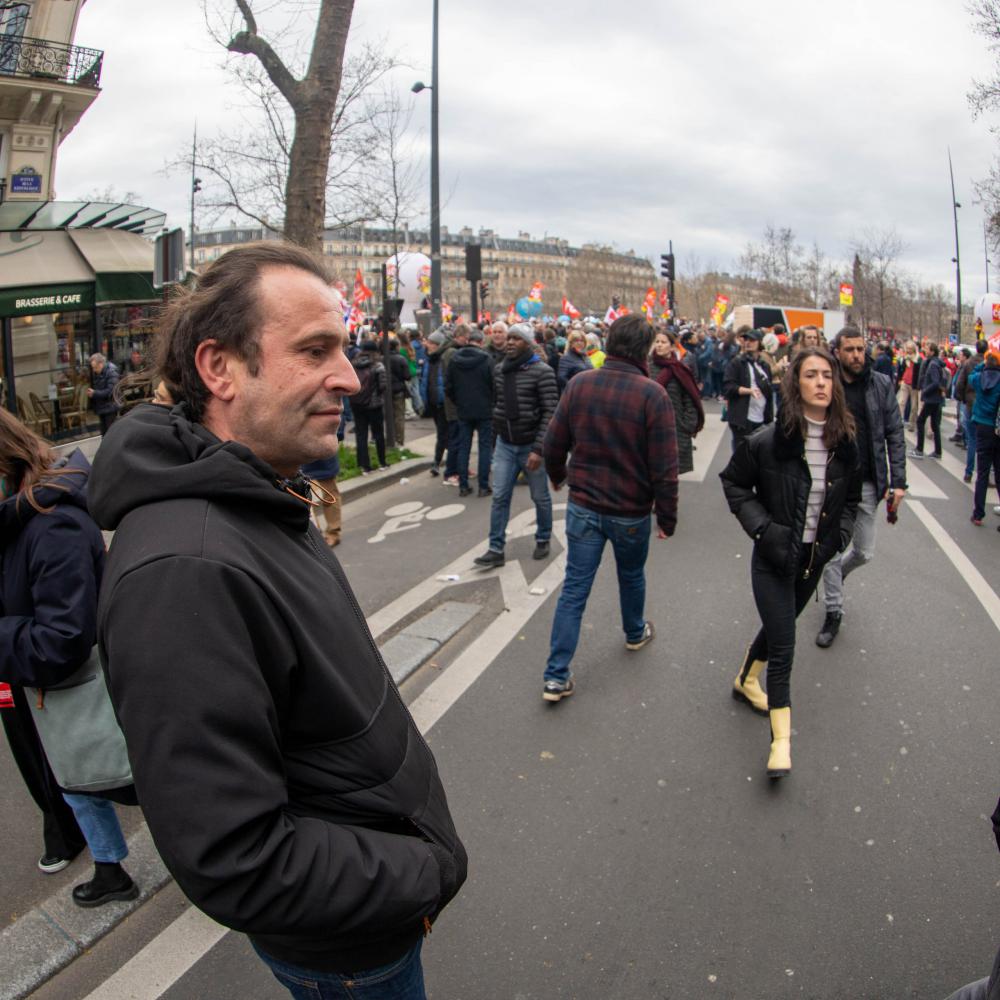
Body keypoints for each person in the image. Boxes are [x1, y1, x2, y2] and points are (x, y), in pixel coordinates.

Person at [88, 242, 466, 997]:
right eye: (314, 351)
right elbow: (237, 856)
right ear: (219, 368)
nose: (351, 377)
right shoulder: (186, 570)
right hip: (350, 946)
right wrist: (423, 871)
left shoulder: (256, 491)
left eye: (344, 349)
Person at [0, 409, 138, 906]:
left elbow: (61, 638)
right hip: (57, 688)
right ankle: (110, 870)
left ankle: (218, 859)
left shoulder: (52, 523)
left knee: (133, 777)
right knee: (78, 782)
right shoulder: (19, 516)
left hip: (89, 681)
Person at [720, 347, 861, 777]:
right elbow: (733, 483)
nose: (821, 382)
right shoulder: (769, 441)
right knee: (784, 646)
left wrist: (839, 538)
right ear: (795, 384)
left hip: (812, 562)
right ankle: (781, 743)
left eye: (827, 375)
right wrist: (765, 531)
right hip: (772, 558)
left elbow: (852, 499)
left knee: (776, 628)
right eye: (811, 375)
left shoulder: (845, 442)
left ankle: (745, 679)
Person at [541, 315, 679, 701]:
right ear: (644, 349)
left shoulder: (581, 384)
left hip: (584, 503)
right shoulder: (653, 395)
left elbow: (553, 442)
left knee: (574, 587)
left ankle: (556, 675)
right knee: (631, 575)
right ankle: (634, 632)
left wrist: (558, 475)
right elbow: (665, 469)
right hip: (630, 509)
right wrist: (667, 517)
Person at [816, 327, 907, 648]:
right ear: (837, 352)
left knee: (864, 552)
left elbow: (895, 433)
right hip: (832, 480)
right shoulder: (827, 383)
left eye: (860, 349)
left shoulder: (880, 384)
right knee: (830, 550)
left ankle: (836, 576)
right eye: (850, 350)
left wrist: (899, 482)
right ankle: (833, 610)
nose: (857, 355)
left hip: (868, 481)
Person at [474, 322, 558, 568]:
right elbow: (497, 405)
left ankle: (543, 538)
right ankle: (495, 548)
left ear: (528, 343)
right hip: (505, 445)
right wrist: (495, 439)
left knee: (540, 497)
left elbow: (550, 412)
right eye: (509, 338)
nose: (510, 342)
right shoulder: (500, 370)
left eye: (516, 338)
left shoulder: (542, 371)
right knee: (499, 496)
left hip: (531, 445)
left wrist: (538, 449)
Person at [445, 327, 494, 497]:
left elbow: (448, 386)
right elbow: (494, 384)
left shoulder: (454, 359)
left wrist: (458, 401)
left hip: (463, 409)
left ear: (467, 340)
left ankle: (463, 485)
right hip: (484, 409)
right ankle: (483, 486)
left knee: (464, 447)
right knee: (485, 447)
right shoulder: (487, 359)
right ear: (481, 342)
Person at [654, 342, 705, 475]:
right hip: (653, 427)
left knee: (672, 473)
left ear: (672, 346)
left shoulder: (680, 369)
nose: (659, 345)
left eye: (663, 342)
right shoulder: (647, 367)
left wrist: (688, 425)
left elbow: (690, 398)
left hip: (677, 428)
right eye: (657, 341)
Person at [723, 327, 774, 452]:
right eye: (746, 339)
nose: (748, 342)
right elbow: (728, 387)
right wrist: (749, 391)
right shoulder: (737, 363)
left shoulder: (764, 365)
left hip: (761, 417)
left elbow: (769, 389)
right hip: (743, 419)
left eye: (752, 340)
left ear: (759, 342)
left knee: (758, 454)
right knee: (742, 454)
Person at [968, 350, 1000, 527]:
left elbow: (971, 375)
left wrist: (983, 364)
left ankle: (978, 514)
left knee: (982, 473)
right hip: (997, 428)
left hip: (982, 426)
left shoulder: (979, 378)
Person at [350, 339, 389, 473]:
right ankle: (382, 462)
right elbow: (383, 386)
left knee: (361, 434)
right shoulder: (378, 365)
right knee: (378, 434)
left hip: (357, 404)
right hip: (374, 405)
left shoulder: (353, 364)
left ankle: (364, 466)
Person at [956, 342, 988, 483]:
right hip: (984, 406)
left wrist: (963, 399)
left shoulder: (968, 363)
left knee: (972, 440)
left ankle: (968, 472)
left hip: (970, 403)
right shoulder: (989, 363)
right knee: (985, 443)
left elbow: (959, 383)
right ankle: (984, 475)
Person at [910, 341, 946, 460]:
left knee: (920, 421)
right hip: (936, 398)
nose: (925, 350)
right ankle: (938, 451)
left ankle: (919, 450)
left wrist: (925, 390)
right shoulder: (936, 362)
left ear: (932, 351)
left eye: (927, 349)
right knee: (935, 425)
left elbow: (935, 382)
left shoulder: (933, 364)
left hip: (931, 398)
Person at [422, 330, 450, 476]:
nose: (428, 345)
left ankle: (436, 463)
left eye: (432, 343)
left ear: (439, 345)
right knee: (445, 435)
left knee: (442, 434)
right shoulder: (429, 359)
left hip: (443, 403)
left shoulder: (443, 359)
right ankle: (455, 461)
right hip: (432, 403)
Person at [87, 353, 121, 435]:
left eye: (95, 367)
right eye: (93, 368)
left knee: (110, 434)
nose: (94, 370)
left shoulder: (111, 372)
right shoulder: (99, 372)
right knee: (104, 434)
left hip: (110, 407)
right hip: (103, 407)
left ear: (101, 364)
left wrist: (94, 393)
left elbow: (111, 391)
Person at [387, 338, 411, 445]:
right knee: (399, 416)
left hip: (386, 391)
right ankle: (399, 440)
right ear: (397, 346)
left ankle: (391, 439)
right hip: (399, 389)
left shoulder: (382, 358)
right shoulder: (401, 359)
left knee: (389, 416)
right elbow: (407, 376)